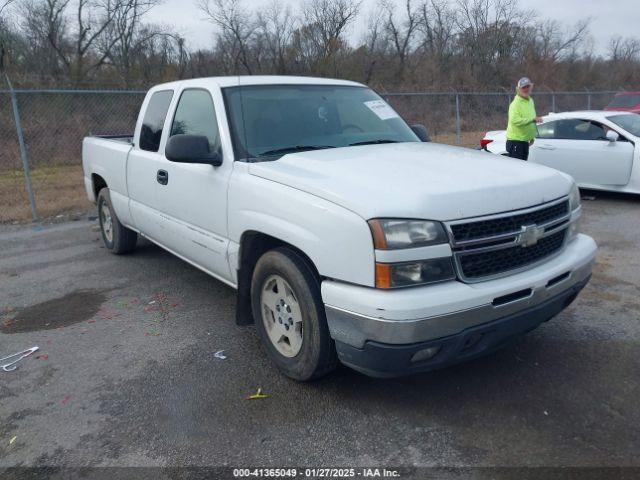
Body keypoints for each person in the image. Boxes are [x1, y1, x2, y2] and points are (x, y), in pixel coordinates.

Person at [506, 77, 542, 160]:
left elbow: (530, 118)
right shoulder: (515, 104)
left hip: (524, 142)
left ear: (531, 87)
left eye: (527, 87)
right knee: (516, 170)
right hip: (515, 142)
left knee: (523, 169)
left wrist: (531, 137)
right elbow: (515, 120)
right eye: (523, 87)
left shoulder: (530, 101)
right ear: (518, 89)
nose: (526, 89)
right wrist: (532, 120)